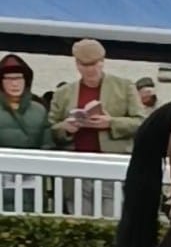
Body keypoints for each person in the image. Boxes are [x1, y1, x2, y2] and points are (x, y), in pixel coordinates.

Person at [48, 38, 145, 215]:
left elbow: (141, 122)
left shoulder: (124, 87)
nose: (91, 69)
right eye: (85, 65)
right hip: (76, 166)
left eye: (94, 64)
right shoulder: (63, 93)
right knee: (79, 222)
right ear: (77, 65)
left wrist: (111, 123)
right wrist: (66, 128)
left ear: (102, 62)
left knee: (111, 218)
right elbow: (52, 129)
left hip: (112, 164)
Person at [0, 54, 52, 211]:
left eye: (19, 78)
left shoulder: (39, 110)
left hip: (32, 181)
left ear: (26, 81)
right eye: (9, 79)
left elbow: (47, 145)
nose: (14, 83)